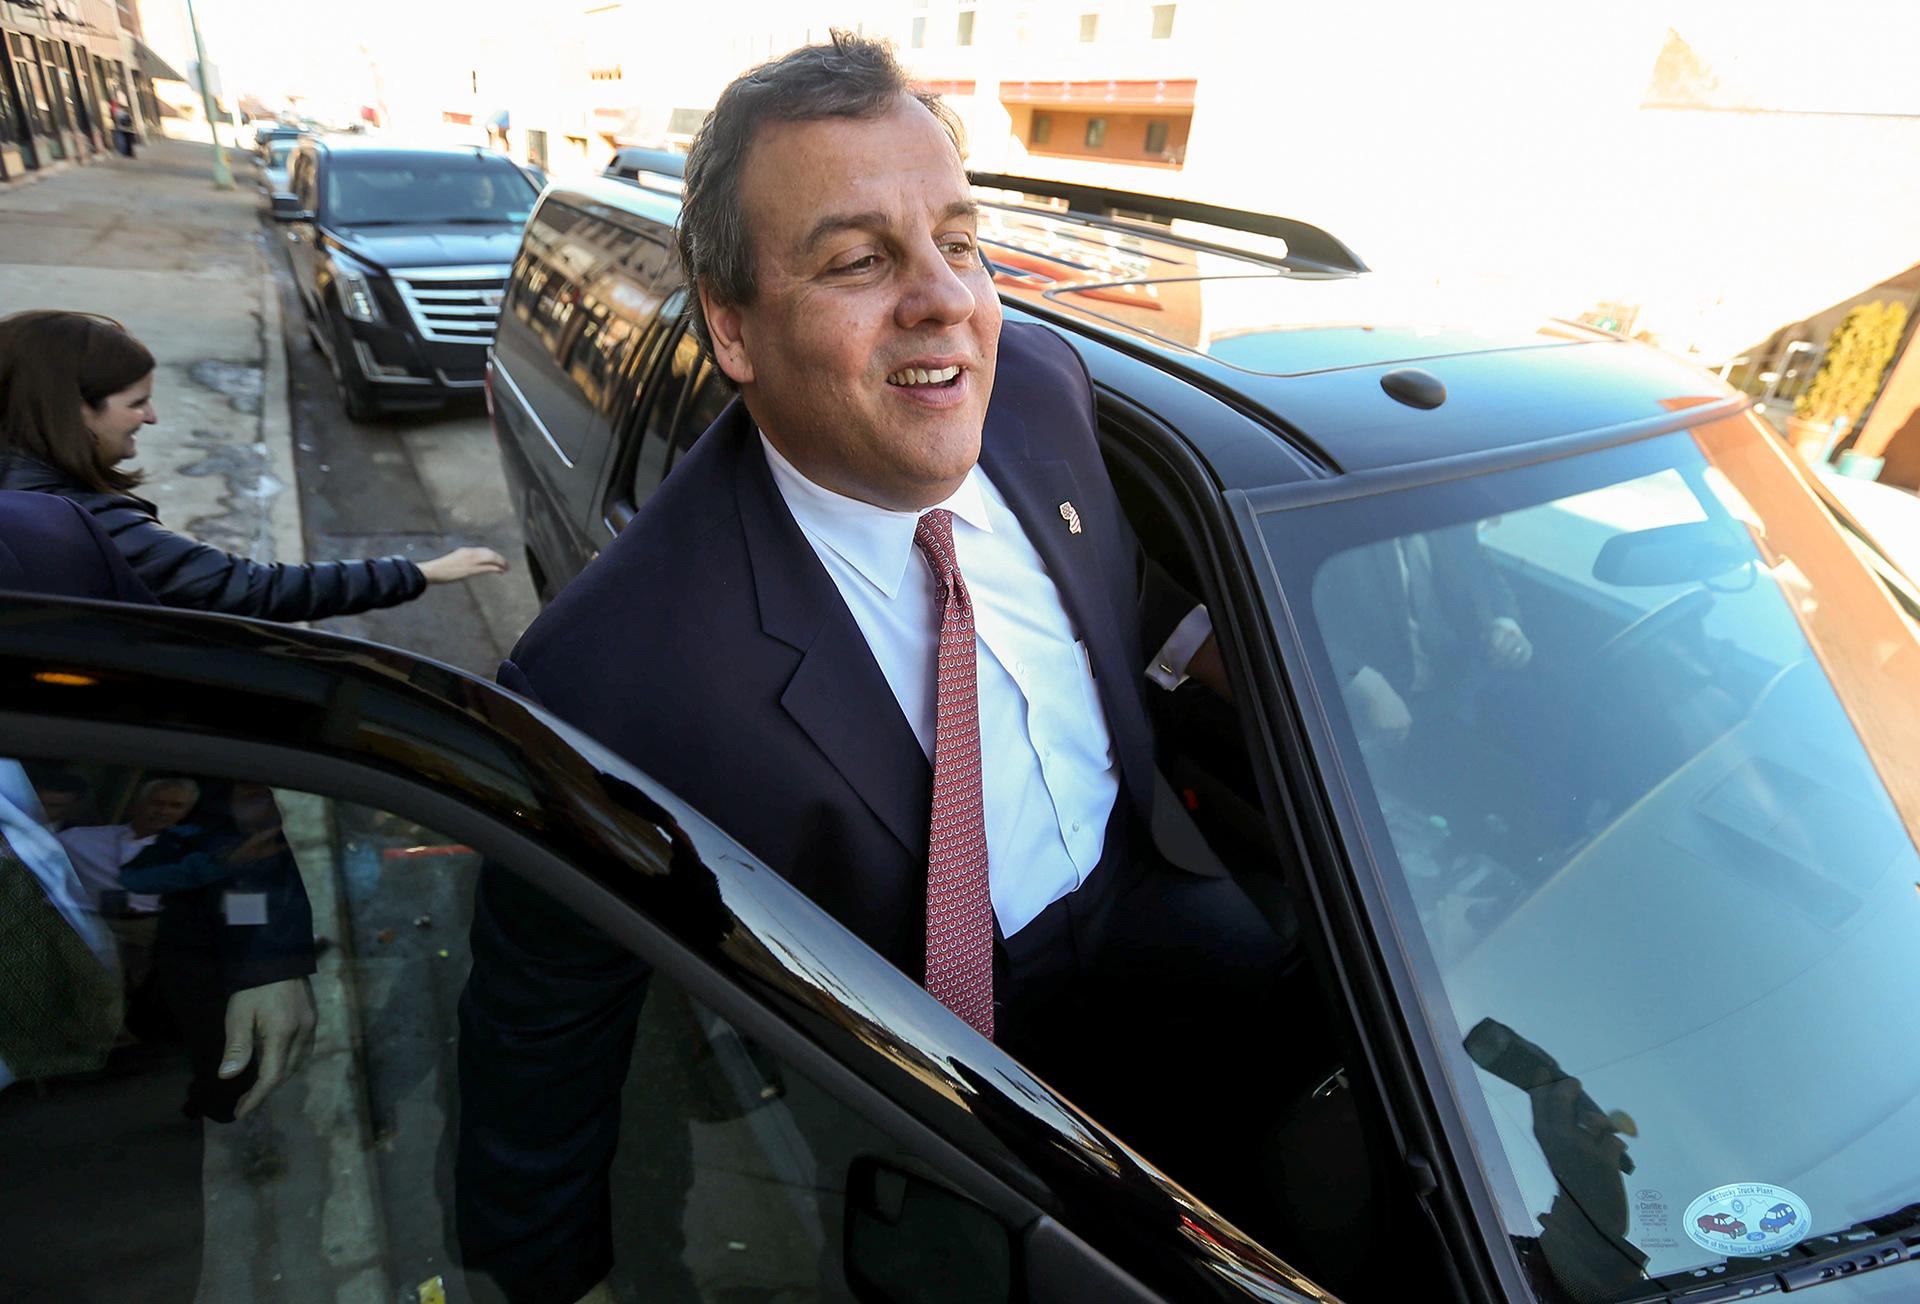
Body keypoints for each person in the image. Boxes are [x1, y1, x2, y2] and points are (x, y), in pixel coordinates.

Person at [457, 34, 1287, 1304]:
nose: (945, 299)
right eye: (858, 259)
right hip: (933, 1064)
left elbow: (1116, 585)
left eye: (959, 241)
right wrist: (559, 1278)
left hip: (1147, 904)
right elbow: (546, 1028)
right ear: (733, 327)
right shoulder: (608, 675)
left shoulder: (1045, 389)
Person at [0, 310, 509, 620]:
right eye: (136, 403)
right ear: (74, 411)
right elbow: (253, 589)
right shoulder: (80, 526)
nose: (151, 418)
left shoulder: (22, 488)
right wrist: (421, 572)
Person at [121, 779, 317, 1122]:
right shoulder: (189, 835)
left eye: (269, 796)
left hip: (270, 958)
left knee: (278, 1037)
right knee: (213, 1042)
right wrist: (225, 862)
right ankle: (221, 1110)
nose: (261, 803)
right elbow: (138, 878)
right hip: (196, 962)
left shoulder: (301, 837)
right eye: (251, 794)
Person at [57, 776, 200, 1001]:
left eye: (175, 806)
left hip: (146, 930)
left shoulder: (191, 854)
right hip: (88, 923)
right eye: (156, 803)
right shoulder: (81, 838)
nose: (164, 811)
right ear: (137, 804)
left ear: (187, 811)